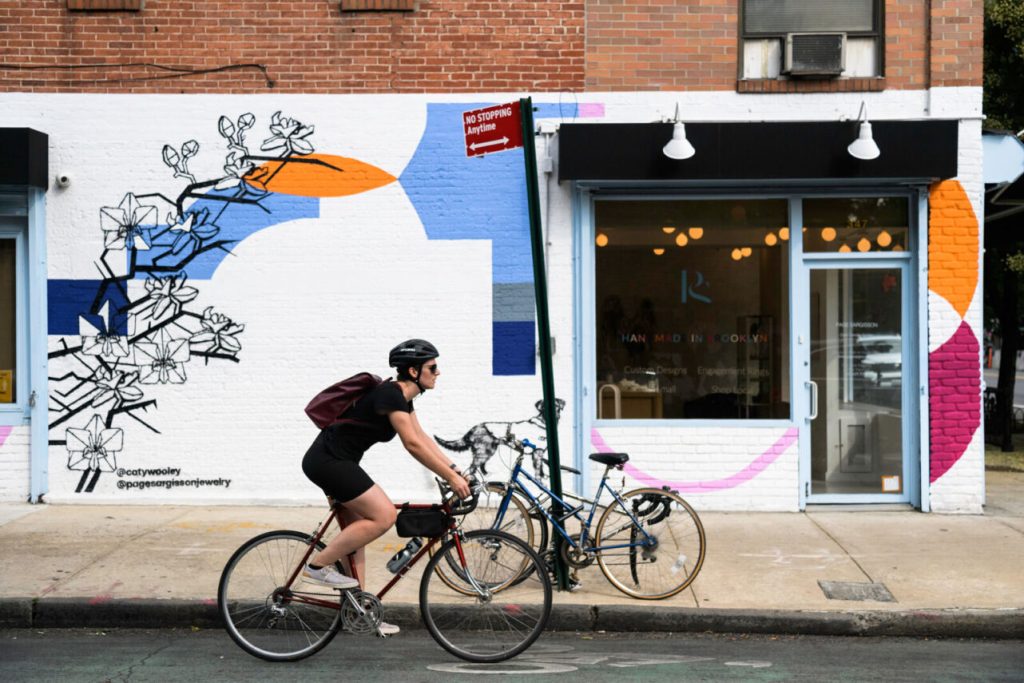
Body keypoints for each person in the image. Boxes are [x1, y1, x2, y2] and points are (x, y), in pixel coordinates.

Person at [301, 339, 471, 635]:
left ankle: (357, 613)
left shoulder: (403, 398)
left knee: (355, 540)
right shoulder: (390, 395)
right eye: (433, 367)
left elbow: (423, 437)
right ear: (414, 371)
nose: (438, 372)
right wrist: (452, 479)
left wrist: (453, 469)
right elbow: (412, 444)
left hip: (340, 461)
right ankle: (316, 567)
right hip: (328, 462)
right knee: (384, 516)